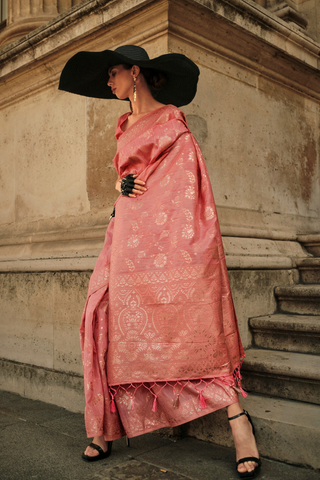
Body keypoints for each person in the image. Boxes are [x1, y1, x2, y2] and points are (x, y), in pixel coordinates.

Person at [59, 45, 260, 479]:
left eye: (113, 73)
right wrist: (120, 182)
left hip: (167, 233)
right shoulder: (123, 124)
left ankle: (240, 424)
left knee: (195, 317)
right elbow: (127, 172)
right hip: (126, 233)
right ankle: (105, 426)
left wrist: (160, 206)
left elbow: (187, 177)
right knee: (101, 312)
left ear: (136, 73)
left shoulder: (171, 120)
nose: (108, 82)